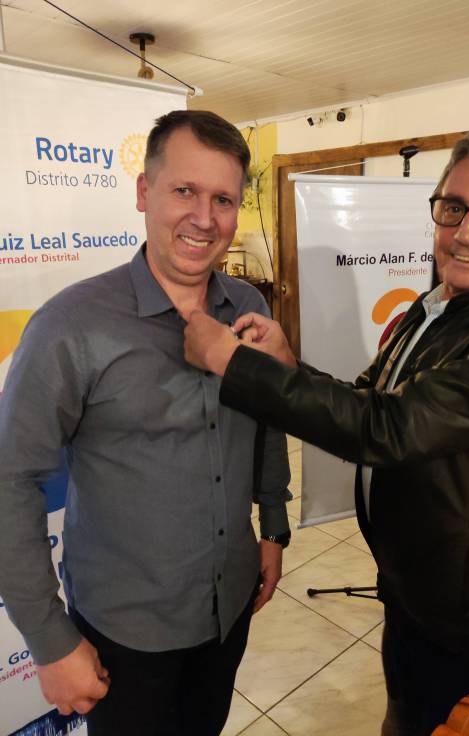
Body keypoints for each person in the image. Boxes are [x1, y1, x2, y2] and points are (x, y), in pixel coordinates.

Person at [183, 124, 469, 735]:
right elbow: (371, 398)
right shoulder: (440, 303)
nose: (467, 230)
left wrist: (233, 364)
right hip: (416, 584)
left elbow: (387, 428)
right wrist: (286, 364)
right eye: (454, 208)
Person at [0, 110, 291, 736]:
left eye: (223, 200)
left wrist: (272, 522)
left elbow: (267, 419)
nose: (204, 218)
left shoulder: (248, 307)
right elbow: (10, 479)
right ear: (143, 192)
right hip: (125, 632)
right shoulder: (70, 325)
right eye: (184, 190)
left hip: (229, 605)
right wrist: (49, 640)